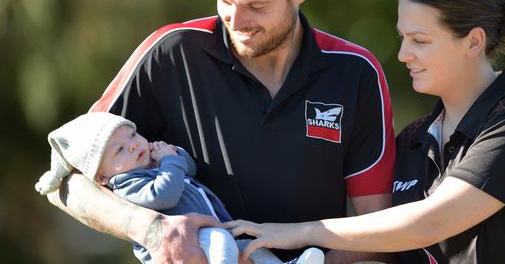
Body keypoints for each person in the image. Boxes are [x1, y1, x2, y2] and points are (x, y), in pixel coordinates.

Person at [44, 0, 395, 263]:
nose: (236, 20)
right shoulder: (171, 52)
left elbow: (377, 230)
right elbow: (63, 177)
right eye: (224, 0)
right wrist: (146, 228)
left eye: (256, 6)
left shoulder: (356, 73)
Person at [225, 0, 505, 264]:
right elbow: (385, 242)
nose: (404, 54)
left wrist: (300, 232)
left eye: (420, 41)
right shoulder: (412, 139)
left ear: (474, 42)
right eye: (402, 37)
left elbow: (429, 224)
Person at [35, 112, 324, 264]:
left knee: (254, 246)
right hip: (194, 241)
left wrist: (173, 155)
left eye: (133, 134)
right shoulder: (126, 184)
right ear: (101, 177)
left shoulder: (153, 165)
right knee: (225, 245)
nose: (135, 144)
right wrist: (170, 162)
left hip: (218, 228)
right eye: (120, 150)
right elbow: (164, 195)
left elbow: (190, 168)